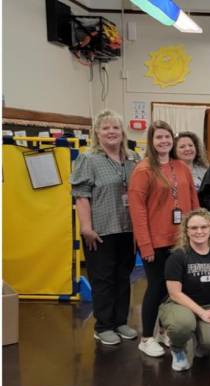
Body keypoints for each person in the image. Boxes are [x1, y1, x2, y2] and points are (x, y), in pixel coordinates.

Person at [129, 120, 200, 358]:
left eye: (167, 137)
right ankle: (146, 337)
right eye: (158, 137)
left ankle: (162, 331)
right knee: (156, 287)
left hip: (180, 240)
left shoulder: (181, 167)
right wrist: (145, 244)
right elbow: (137, 211)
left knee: (174, 290)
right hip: (155, 242)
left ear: (173, 140)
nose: (163, 141)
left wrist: (197, 233)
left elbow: (193, 201)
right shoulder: (143, 170)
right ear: (151, 141)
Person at [70, 109, 140, 345]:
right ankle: (103, 326)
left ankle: (120, 322)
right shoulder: (88, 160)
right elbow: (81, 196)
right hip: (100, 231)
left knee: (123, 277)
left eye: (116, 128)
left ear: (123, 132)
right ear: (97, 133)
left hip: (128, 230)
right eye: (106, 128)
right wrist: (86, 228)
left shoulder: (133, 160)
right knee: (103, 279)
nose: (111, 132)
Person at [159, 209, 210, 371]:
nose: (199, 231)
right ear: (187, 231)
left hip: (209, 304)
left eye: (204, 227)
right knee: (183, 324)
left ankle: (200, 340)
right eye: (194, 228)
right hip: (179, 305)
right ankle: (177, 349)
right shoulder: (178, 256)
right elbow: (175, 293)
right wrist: (201, 313)